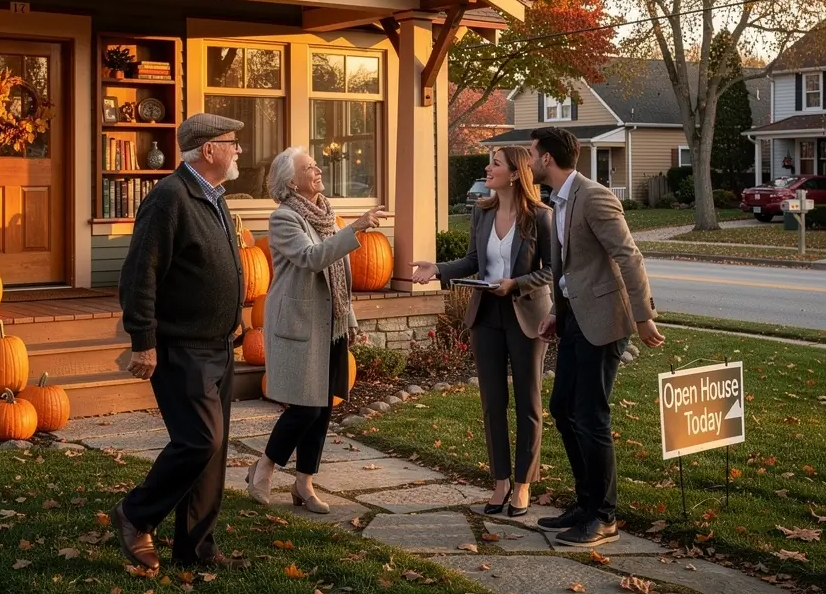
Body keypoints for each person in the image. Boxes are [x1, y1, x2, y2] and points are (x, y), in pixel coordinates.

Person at [109, 112, 246, 576]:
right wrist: (143, 341)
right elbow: (139, 274)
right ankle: (136, 514)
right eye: (232, 142)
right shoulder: (170, 198)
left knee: (213, 452)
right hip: (181, 347)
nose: (238, 150)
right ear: (209, 150)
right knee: (199, 440)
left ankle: (196, 549)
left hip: (218, 345)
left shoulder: (214, 197)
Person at [528, 126, 665, 547]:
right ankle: (586, 503)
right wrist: (556, 313)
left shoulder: (594, 196)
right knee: (563, 408)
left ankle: (604, 517)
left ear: (547, 158)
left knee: (590, 415)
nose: (528, 162)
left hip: (604, 319)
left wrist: (644, 316)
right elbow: (571, 268)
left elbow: (628, 255)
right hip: (574, 318)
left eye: (532, 154)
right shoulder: (559, 200)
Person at [411, 146, 553, 517]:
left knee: (528, 402)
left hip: (526, 315)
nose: (487, 169)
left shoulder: (541, 216)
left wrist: (516, 283)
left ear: (515, 173)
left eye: (495, 164)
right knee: (492, 401)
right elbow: (473, 260)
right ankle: (501, 481)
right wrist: (437, 269)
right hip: (486, 314)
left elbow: (553, 269)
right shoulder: (482, 211)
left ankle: (523, 483)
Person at [245, 147, 387, 512]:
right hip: (299, 323)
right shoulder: (283, 218)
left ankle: (304, 484)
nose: (318, 169)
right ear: (292, 182)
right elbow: (313, 258)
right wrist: (357, 227)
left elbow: (340, 276)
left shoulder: (326, 214)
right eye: (309, 167)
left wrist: (348, 319)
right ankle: (264, 466)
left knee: (323, 407)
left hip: (331, 324)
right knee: (305, 408)